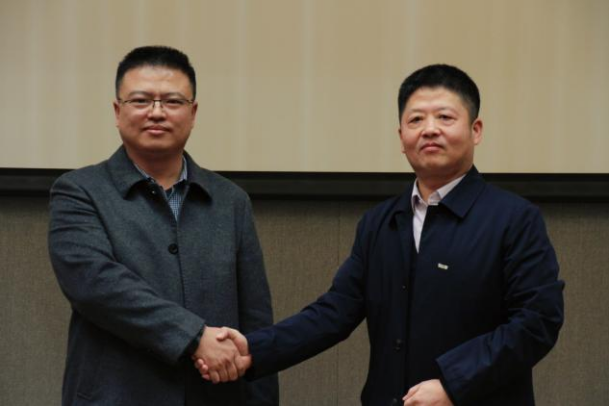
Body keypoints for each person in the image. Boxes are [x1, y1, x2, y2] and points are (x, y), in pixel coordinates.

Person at [196, 64, 565, 406]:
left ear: (476, 130)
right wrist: (254, 349)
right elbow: (334, 312)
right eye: (416, 119)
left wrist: (454, 384)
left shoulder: (514, 219)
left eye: (445, 117)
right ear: (401, 137)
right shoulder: (379, 223)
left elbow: (537, 322)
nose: (429, 129)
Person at [48, 46, 278, 406]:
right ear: (117, 111)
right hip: (115, 396)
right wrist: (194, 337)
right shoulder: (80, 191)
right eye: (140, 100)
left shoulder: (230, 200)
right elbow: (95, 284)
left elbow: (255, 317)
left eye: (172, 101)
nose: (156, 112)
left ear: (193, 112)